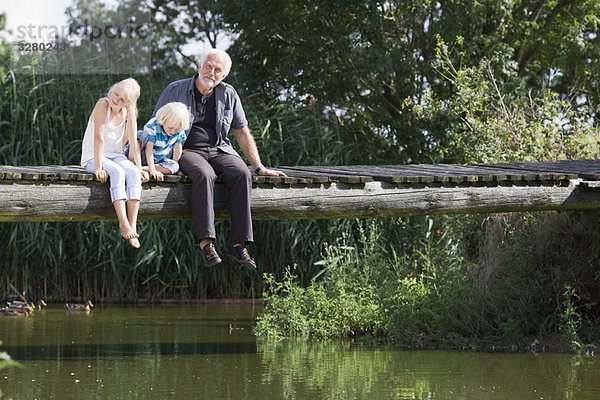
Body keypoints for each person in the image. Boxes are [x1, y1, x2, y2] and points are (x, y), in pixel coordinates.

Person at [152, 48, 285, 268]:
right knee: (205, 174)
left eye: (218, 70)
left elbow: (241, 131)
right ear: (199, 66)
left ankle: (238, 245)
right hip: (185, 149)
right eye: (208, 66)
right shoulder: (175, 89)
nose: (212, 72)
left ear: (223, 75)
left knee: (242, 173)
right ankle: (206, 243)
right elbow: (156, 125)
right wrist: (160, 162)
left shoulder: (229, 93)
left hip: (219, 148)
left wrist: (259, 167)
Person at [80, 78, 149, 249]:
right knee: (117, 173)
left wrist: (139, 168)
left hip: (116, 155)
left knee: (132, 173)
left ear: (129, 103)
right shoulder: (103, 103)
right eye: (115, 94)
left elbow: (134, 142)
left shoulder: (129, 111)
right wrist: (97, 167)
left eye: (122, 99)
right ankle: (123, 222)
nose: (115, 99)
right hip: (94, 156)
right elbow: (99, 136)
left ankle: (132, 224)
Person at [137, 102, 190, 181]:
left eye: (176, 129)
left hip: (159, 161)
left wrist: (175, 163)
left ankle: (141, 168)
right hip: (143, 156)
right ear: (164, 119)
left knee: (175, 166)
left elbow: (177, 147)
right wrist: (152, 170)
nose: (173, 131)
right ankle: (136, 165)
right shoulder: (153, 126)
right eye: (170, 128)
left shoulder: (179, 129)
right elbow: (149, 148)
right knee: (141, 135)